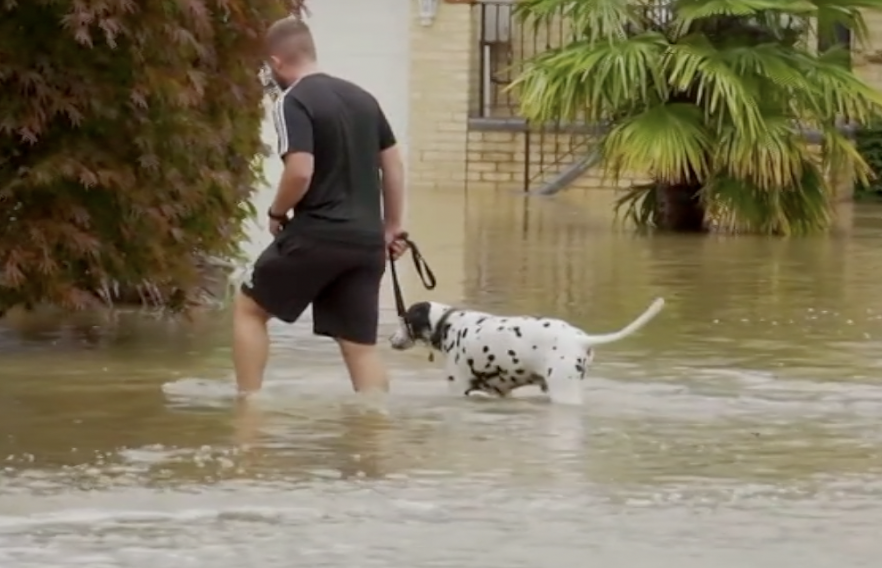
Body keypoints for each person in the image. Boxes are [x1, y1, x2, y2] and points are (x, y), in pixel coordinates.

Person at [233, 17, 408, 395]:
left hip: (318, 234)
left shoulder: (291, 101)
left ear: (277, 62)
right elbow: (393, 165)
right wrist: (391, 227)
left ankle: (248, 410)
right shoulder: (364, 99)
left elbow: (299, 172)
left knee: (248, 309)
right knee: (360, 347)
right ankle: (375, 433)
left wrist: (277, 213)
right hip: (366, 244)